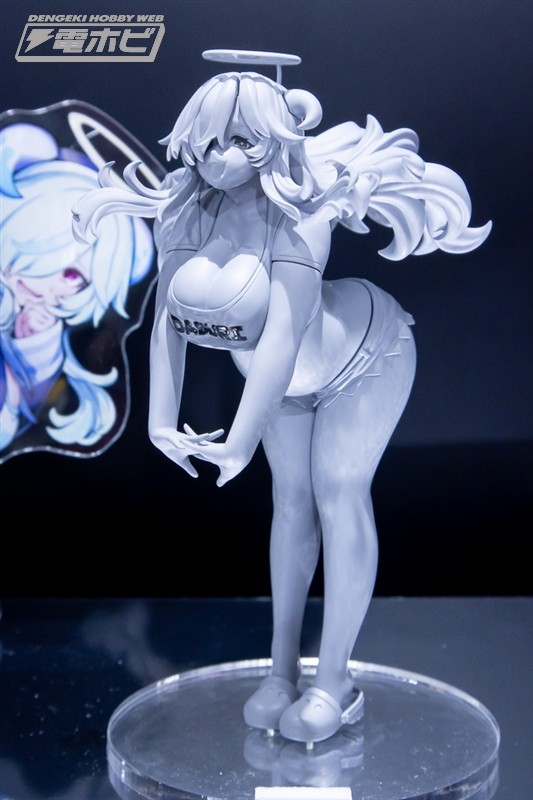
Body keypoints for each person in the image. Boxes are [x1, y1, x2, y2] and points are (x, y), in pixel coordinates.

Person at [73, 53, 491, 744]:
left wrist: (238, 441)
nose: (219, 158)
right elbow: (168, 323)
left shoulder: (300, 218)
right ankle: (280, 672)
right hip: (280, 382)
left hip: (364, 355)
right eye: (208, 141)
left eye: (240, 141)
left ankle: (335, 683)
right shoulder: (182, 212)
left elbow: (282, 336)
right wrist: (158, 423)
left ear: (273, 142)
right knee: (290, 501)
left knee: (337, 492)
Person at [0, 121, 154, 459]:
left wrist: (36, 349)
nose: (59, 287)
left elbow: (25, 415)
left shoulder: (41, 336)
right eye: (68, 270)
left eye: (77, 280)